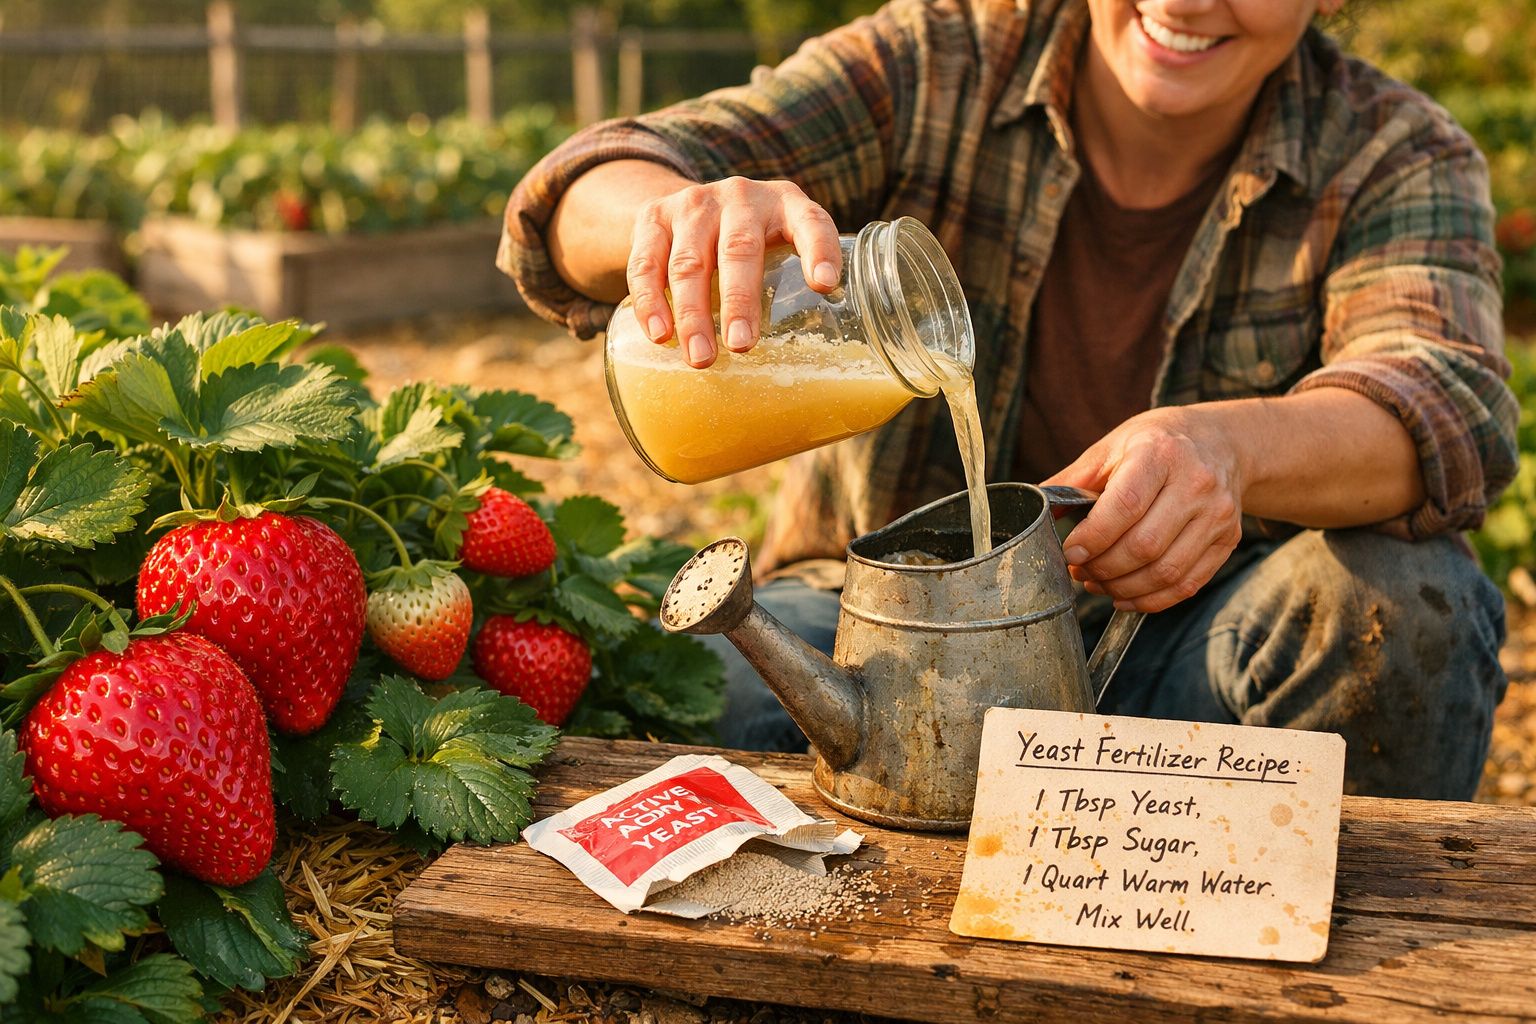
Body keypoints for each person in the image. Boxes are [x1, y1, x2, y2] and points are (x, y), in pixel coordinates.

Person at [499, 0, 1519, 799]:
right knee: (662, 688)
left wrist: (1230, 448)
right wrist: (675, 217)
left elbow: (1445, 405)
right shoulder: (939, 62)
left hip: (1181, 662)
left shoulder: (1392, 150)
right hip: (878, 643)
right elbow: (576, 195)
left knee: (1406, 607)